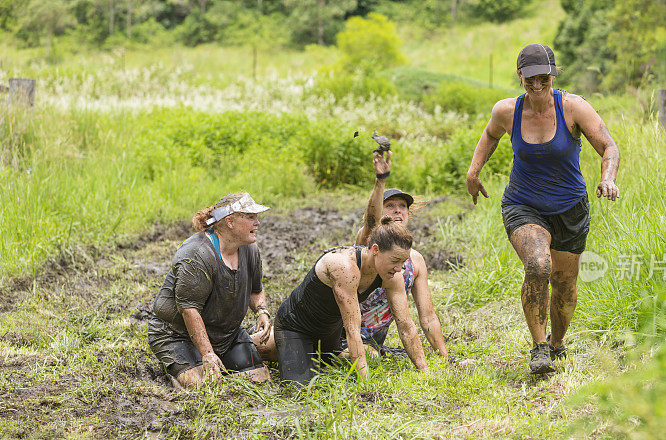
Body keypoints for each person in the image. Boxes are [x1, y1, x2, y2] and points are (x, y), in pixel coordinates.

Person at [465, 43, 621, 374]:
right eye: (529, 80)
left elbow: (609, 146)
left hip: (570, 208)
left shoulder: (574, 107)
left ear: (553, 75)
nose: (536, 87)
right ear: (520, 76)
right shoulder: (507, 111)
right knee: (538, 266)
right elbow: (490, 136)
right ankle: (538, 349)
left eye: (543, 80)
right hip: (523, 203)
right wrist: (473, 171)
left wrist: (608, 178)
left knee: (564, 283)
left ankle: (557, 343)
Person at [273, 217, 429, 386]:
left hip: (330, 333)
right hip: (297, 327)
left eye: (403, 262)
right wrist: (366, 386)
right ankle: (259, 339)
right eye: (394, 261)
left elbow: (405, 324)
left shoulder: (392, 275)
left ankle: (307, 355)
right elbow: (353, 330)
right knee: (299, 389)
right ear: (375, 250)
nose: (400, 268)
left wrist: (424, 371)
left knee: (363, 359)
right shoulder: (344, 267)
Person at [354, 150, 472, 367]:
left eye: (403, 207)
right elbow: (371, 221)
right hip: (344, 334)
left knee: (374, 354)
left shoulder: (415, 261)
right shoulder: (368, 243)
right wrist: (380, 181)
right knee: (369, 358)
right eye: (390, 206)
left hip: (373, 341)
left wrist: (446, 359)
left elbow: (427, 316)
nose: (398, 211)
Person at [148, 192, 274, 388]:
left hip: (225, 333)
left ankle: (235, 345)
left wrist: (262, 311)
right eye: (250, 217)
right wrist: (207, 353)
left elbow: (255, 290)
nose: (257, 223)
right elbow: (189, 309)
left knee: (259, 378)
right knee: (205, 387)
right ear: (230, 222)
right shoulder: (196, 254)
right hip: (177, 334)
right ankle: (176, 368)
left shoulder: (249, 249)